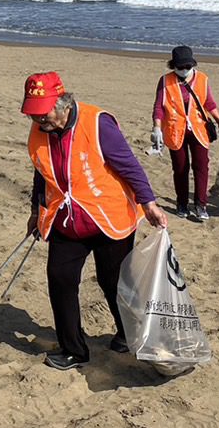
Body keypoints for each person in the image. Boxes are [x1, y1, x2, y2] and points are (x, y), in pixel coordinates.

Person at [22, 71, 167, 371]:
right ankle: (73, 350)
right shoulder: (39, 132)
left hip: (107, 219)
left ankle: (128, 333)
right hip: (66, 219)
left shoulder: (97, 123)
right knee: (60, 279)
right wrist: (36, 211)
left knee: (113, 281)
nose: (39, 121)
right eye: (33, 115)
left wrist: (148, 203)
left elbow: (129, 165)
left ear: (62, 102)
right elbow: (42, 172)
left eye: (43, 113)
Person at [150, 45, 219, 222]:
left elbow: (210, 104)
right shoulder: (165, 81)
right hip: (175, 130)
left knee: (201, 167)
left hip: (199, 130)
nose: (184, 70)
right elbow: (159, 107)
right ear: (173, 66)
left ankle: (201, 205)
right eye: (180, 67)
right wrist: (156, 127)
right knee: (180, 169)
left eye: (187, 67)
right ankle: (182, 204)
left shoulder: (202, 79)